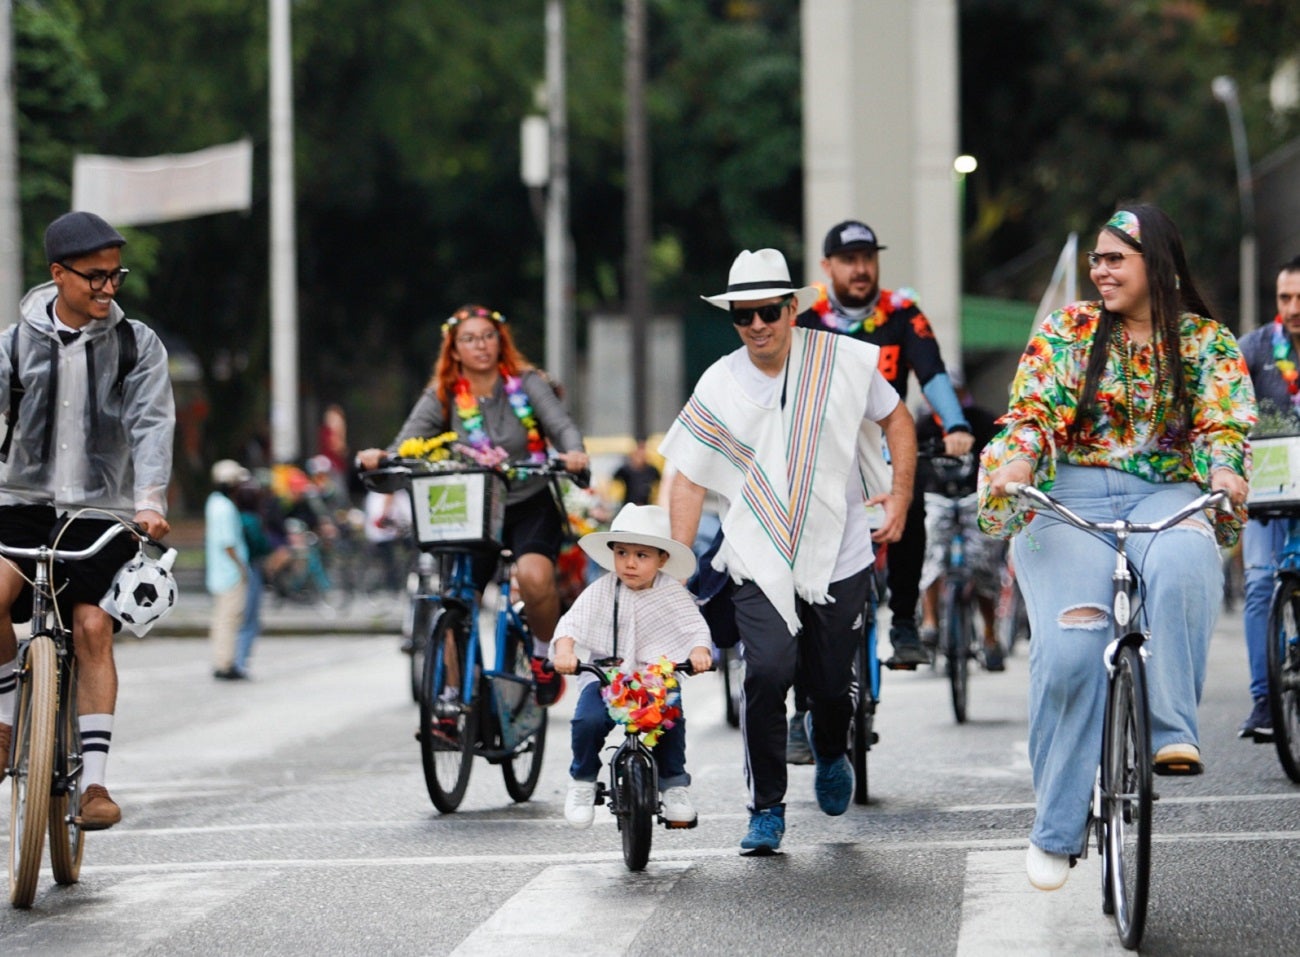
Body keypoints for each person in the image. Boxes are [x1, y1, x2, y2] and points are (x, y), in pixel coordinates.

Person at [978, 203, 1255, 891]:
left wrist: (1225, 469)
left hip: (1163, 491)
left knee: (1189, 561)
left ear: (1155, 265)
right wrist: (1016, 463)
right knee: (1073, 651)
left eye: (1115, 257)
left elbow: (1225, 421)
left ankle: (1171, 731)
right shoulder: (1069, 330)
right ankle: (1058, 826)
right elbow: (1031, 410)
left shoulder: (1206, 342)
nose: (1099, 269)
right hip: (1065, 499)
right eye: (1096, 258)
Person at [662, 248, 916, 854]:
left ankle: (830, 746)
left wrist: (900, 496)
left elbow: (898, 420)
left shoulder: (840, 361)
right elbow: (690, 476)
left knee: (831, 687)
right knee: (767, 670)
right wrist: (673, 572)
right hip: (758, 554)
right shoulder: (720, 382)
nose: (757, 325)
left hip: (841, 552)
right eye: (743, 315)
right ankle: (766, 809)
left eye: (768, 312)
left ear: (792, 309)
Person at [0, 211, 174, 830]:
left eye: (114, 276)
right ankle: (6, 721)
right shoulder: (13, 344)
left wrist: (150, 501)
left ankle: (94, 785)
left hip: (100, 508)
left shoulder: (137, 344)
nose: (107, 288)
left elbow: (152, 424)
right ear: (58, 274)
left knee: (93, 624)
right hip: (18, 502)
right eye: (94, 276)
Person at [355, 304, 589, 705]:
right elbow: (405, 445)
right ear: (454, 349)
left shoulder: (526, 382)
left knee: (534, 577)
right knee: (455, 601)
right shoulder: (442, 395)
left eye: (488, 336)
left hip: (528, 500)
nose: (480, 345)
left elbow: (562, 426)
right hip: (471, 509)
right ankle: (452, 699)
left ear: (500, 341)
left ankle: (540, 654)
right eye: (469, 338)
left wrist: (574, 454)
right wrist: (381, 459)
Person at [797, 220, 974, 669]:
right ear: (827, 266)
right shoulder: (807, 318)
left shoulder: (903, 314)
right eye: (849, 260)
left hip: (886, 444)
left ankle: (903, 623)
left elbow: (932, 373)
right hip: (825, 450)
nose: (861, 269)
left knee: (908, 503)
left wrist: (954, 425)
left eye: (868, 259)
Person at [551, 503, 713, 829]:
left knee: (671, 717)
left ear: (662, 559)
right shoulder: (602, 589)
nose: (629, 563)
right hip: (607, 676)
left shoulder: (672, 594)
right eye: (622, 552)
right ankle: (582, 781)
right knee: (587, 719)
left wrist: (699, 652)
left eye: (642, 555)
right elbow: (570, 626)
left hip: (656, 678)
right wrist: (565, 652)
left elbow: (695, 629)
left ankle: (674, 784)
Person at [1233, 254, 1300, 741]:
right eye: (1284, 298)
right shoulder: (1254, 349)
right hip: (1268, 488)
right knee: (1259, 586)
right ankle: (1263, 701)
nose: (1293, 307)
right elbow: (1227, 405)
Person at [916, 370, 1007, 671]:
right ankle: (930, 622)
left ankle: (990, 636)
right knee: (931, 555)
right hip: (937, 498)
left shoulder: (982, 421)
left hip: (974, 498)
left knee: (984, 566)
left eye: (953, 392)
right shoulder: (925, 425)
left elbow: (1002, 453)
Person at [206, 459, 251, 680]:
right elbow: (229, 543)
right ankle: (224, 663)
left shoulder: (214, 502)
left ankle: (222, 659)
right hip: (229, 572)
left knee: (222, 618)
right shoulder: (224, 507)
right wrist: (242, 568)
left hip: (219, 571)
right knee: (228, 619)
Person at [233, 478, 272, 677]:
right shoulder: (253, 521)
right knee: (250, 618)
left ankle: (236, 660)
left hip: (239, 569)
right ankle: (240, 661)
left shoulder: (236, 517)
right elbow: (262, 545)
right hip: (252, 567)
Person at [612, 439, 660, 506]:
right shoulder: (625, 470)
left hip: (646, 504)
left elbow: (660, 484)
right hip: (629, 504)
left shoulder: (652, 470)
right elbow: (613, 482)